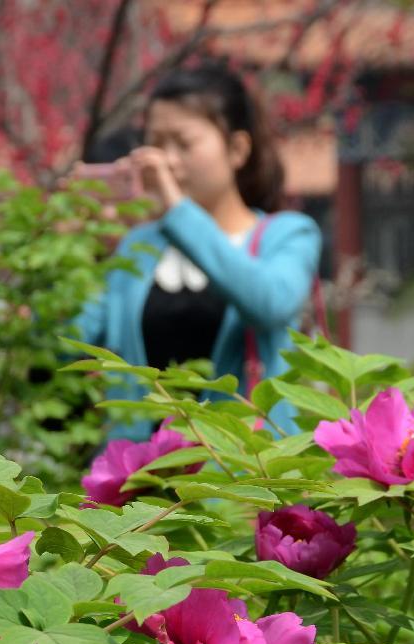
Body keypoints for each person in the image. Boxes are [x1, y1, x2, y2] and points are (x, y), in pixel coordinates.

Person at [74, 62, 322, 441]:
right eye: (156, 143)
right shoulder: (138, 247)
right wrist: (73, 244)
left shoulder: (288, 235)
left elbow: (268, 303)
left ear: (237, 149)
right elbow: (69, 341)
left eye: (183, 143)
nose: (167, 160)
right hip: (142, 485)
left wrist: (175, 209)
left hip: (242, 481)